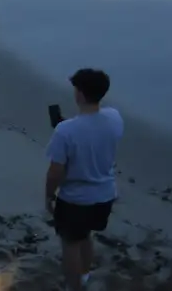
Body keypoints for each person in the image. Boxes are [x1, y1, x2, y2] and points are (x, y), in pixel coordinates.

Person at [44, 68, 124, 291]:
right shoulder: (114, 118)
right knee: (86, 235)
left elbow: (55, 172)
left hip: (75, 199)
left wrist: (49, 195)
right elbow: (94, 130)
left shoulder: (65, 131)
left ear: (78, 93)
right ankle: (86, 274)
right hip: (105, 195)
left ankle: (74, 286)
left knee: (70, 244)